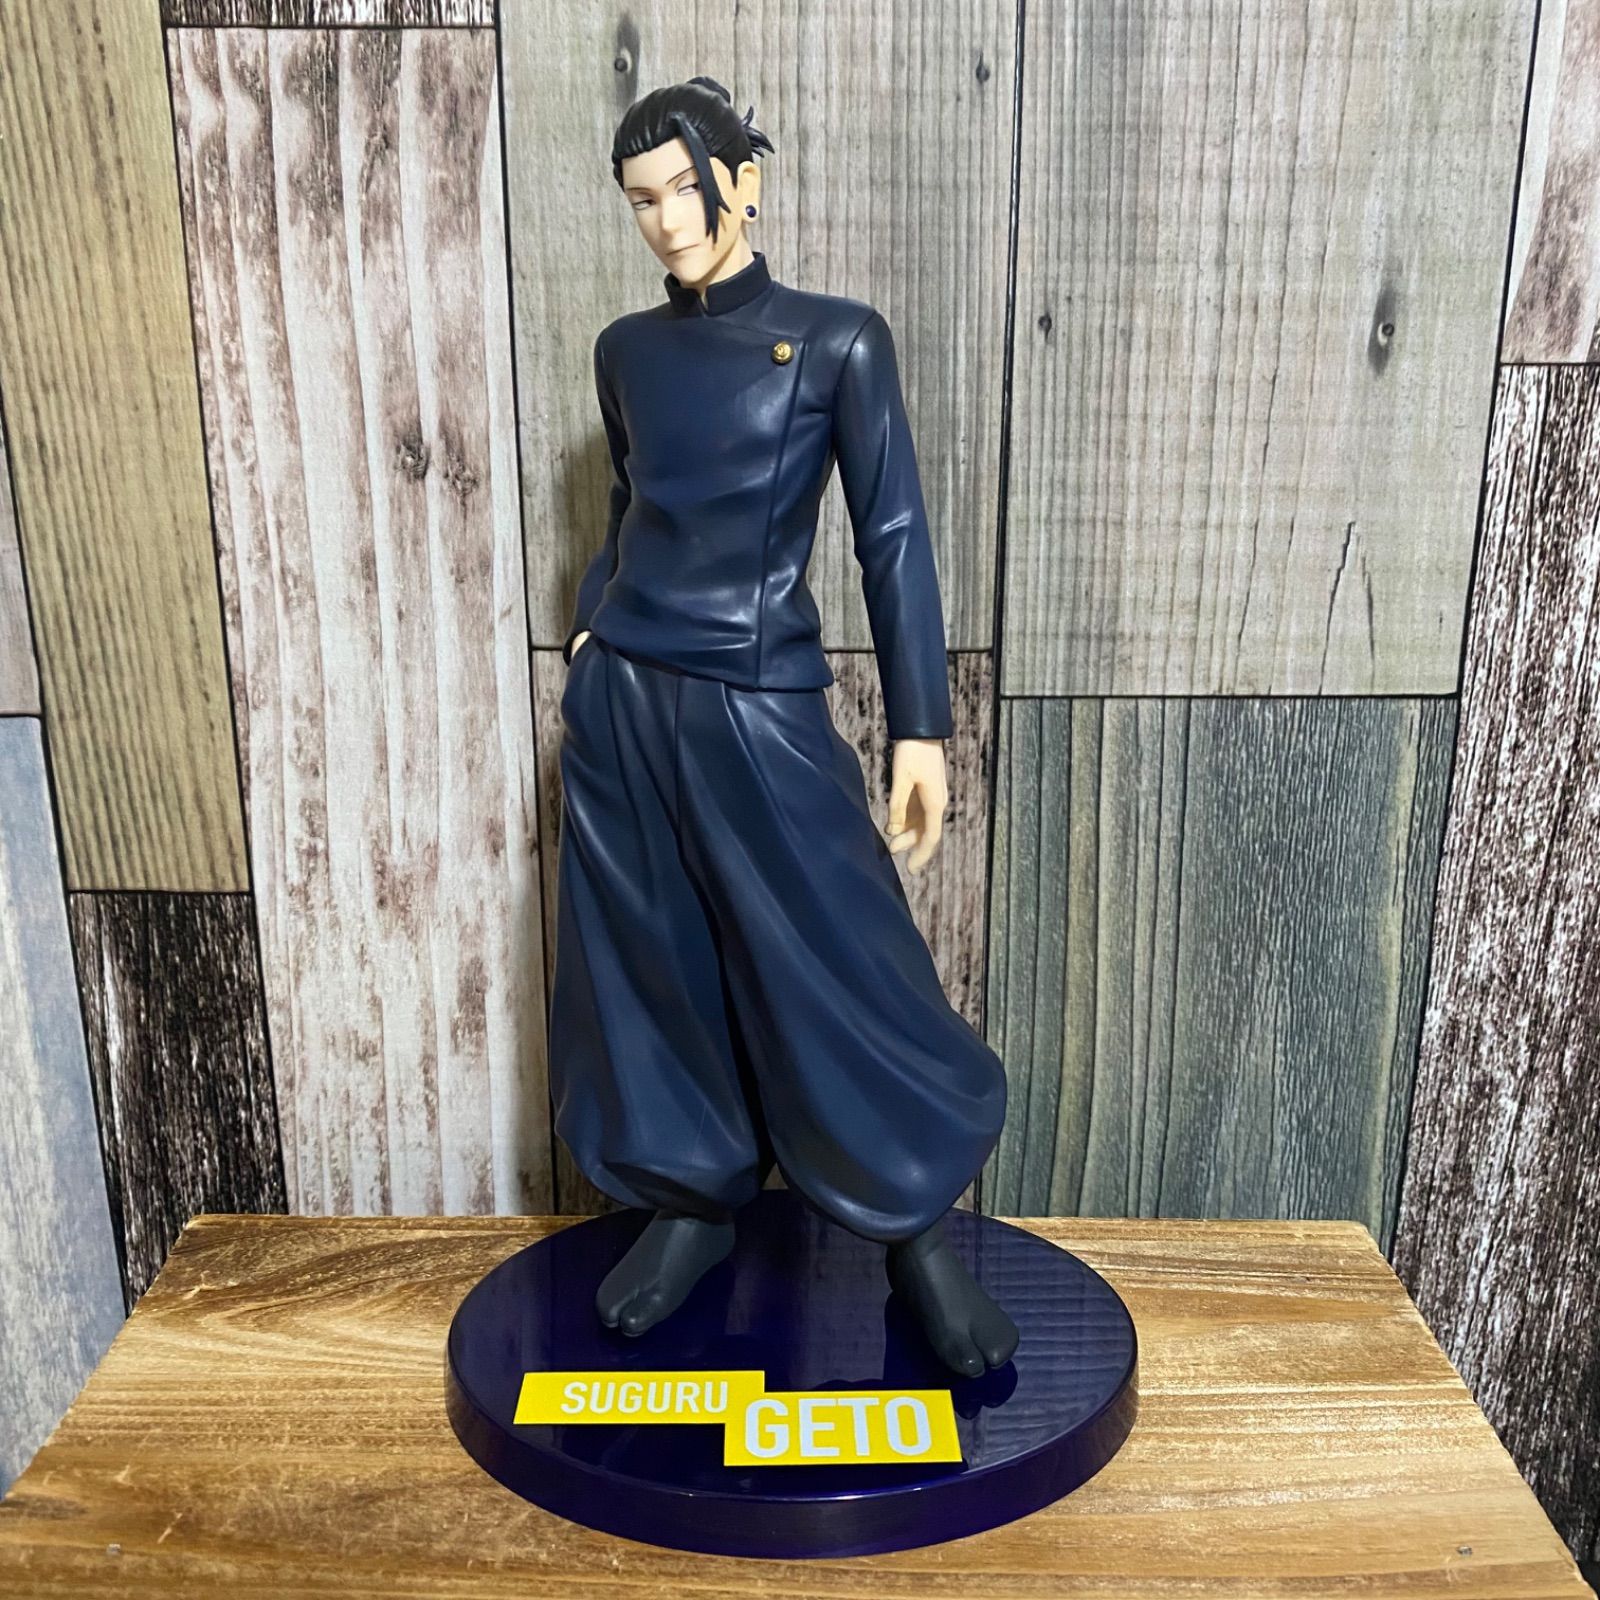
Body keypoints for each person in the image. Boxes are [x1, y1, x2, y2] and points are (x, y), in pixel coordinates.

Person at [549, 76, 1016, 1377]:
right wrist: (590, 629)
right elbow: (629, 508)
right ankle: (692, 1202)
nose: (664, 222)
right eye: (639, 201)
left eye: (681, 190)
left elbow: (893, 534)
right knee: (649, 959)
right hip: (626, 700)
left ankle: (913, 1233)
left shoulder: (837, 342)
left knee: (838, 958)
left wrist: (920, 728)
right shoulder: (626, 352)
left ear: (741, 183)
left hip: (759, 699)